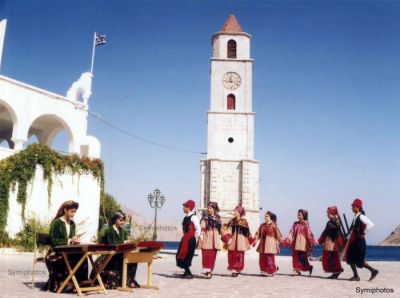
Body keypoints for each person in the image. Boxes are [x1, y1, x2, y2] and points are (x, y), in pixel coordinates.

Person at [44, 200, 87, 292]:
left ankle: (78, 284)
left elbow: (70, 238)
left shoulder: (72, 224)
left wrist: (74, 240)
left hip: (68, 251)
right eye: (72, 211)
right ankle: (67, 283)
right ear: (65, 210)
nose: (74, 214)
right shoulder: (56, 223)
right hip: (56, 252)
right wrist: (69, 240)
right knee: (76, 257)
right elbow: (54, 241)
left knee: (83, 256)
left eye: (75, 211)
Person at [95, 212, 140, 289]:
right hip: (110, 255)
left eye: (123, 220)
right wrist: (123, 243)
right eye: (120, 220)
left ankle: (128, 281)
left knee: (133, 260)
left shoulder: (122, 231)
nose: (122, 222)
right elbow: (111, 243)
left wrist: (127, 242)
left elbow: (123, 240)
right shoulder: (109, 230)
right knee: (124, 259)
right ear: (115, 220)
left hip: (119, 253)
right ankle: (120, 282)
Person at [345, 198, 378, 281]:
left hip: (359, 242)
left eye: (353, 206)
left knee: (358, 260)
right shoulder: (355, 217)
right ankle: (356, 276)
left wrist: (364, 233)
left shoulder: (361, 216)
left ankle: (373, 271)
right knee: (350, 258)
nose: (352, 207)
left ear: (358, 207)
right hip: (355, 241)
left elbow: (371, 224)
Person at [284, 209, 316, 276]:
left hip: (302, 243)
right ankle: (297, 270)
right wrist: (287, 240)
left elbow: (309, 233)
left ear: (304, 215)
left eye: (300, 215)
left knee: (302, 257)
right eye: (298, 215)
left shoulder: (306, 224)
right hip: (295, 243)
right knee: (295, 256)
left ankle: (309, 267)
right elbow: (291, 232)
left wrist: (311, 241)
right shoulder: (295, 224)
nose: (298, 216)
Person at [225, 206, 253, 277]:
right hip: (233, 239)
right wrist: (227, 237)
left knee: (239, 254)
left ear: (240, 212)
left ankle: (237, 269)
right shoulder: (231, 221)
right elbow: (227, 229)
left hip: (241, 239)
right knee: (231, 253)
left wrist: (250, 240)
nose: (235, 212)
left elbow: (247, 232)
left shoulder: (244, 221)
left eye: (236, 211)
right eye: (234, 211)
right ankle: (233, 267)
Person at [176, 199, 201, 278]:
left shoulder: (194, 217)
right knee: (180, 255)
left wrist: (196, 238)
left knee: (187, 256)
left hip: (190, 239)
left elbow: (198, 228)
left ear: (189, 207)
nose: (183, 208)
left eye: (184, 206)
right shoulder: (185, 218)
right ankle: (187, 272)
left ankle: (189, 273)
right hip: (185, 239)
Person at [254, 211, 283, 276]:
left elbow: (278, 235)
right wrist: (255, 241)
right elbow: (258, 233)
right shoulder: (262, 225)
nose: (265, 217)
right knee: (262, 257)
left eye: (267, 216)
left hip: (270, 243)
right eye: (265, 216)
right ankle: (264, 270)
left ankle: (271, 270)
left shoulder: (273, 225)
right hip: (262, 243)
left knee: (269, 258)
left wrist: (282, 242)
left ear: (270, 217)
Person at [318, 206, 344, 279]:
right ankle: (335, 272)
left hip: (333, 241)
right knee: (331, 256)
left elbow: (335, 230)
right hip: (330, 241)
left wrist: (320, 240)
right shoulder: (330, 222)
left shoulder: (336, 221)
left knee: (332, 256)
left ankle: (336, 271)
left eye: (328, 213)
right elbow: (326, 231)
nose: (327, 214)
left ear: (332, 213)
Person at [198, 201, 222, 279]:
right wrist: (201, 234)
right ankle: (207, 270)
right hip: (206, 236)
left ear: (214, 209)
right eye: (208, 208)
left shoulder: (218, 218)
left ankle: (210, 271)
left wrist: (227, 238)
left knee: (212, 255)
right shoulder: (205, 217)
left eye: (210, 208)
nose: (209, 209)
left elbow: (221, 229)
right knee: (205, 253)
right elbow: (202, 227)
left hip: (214, 238)